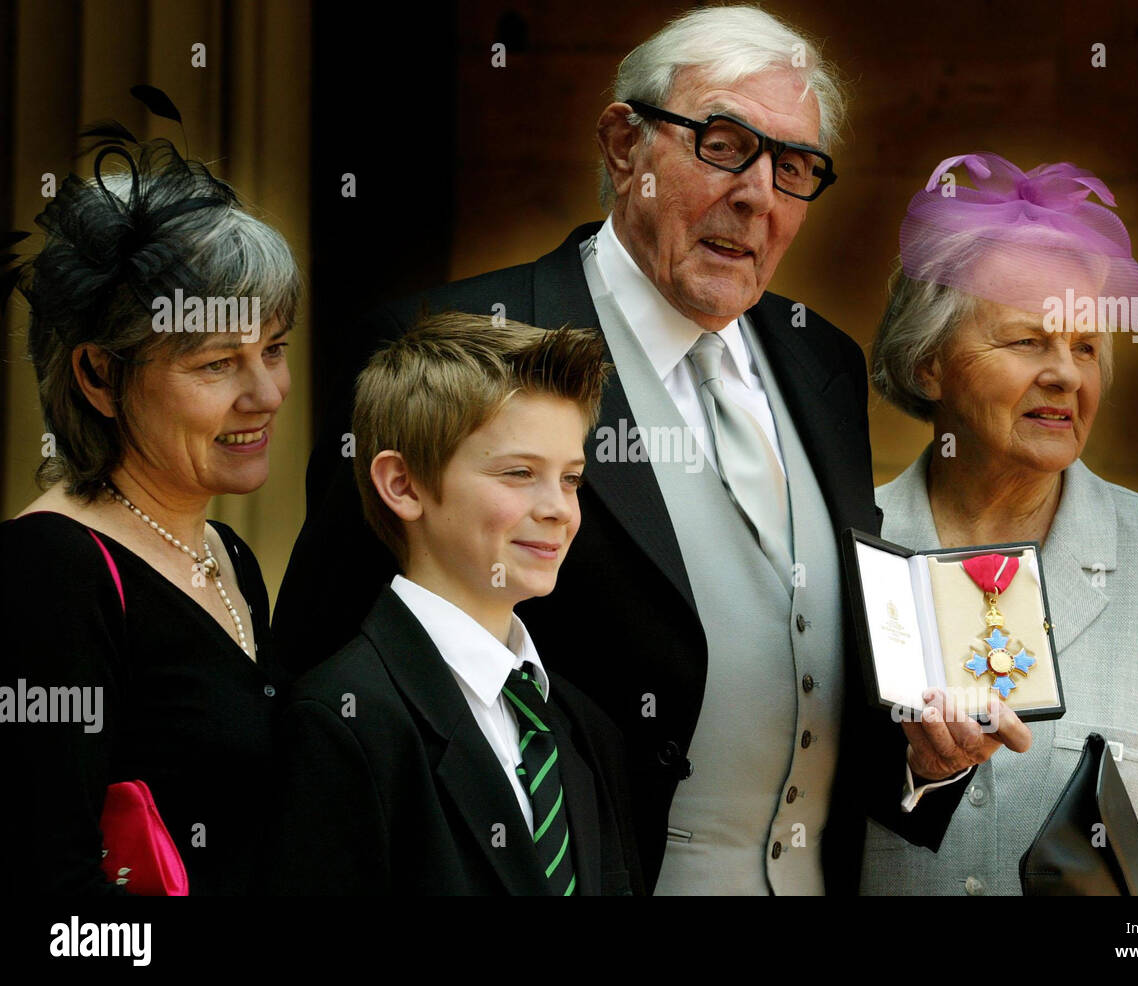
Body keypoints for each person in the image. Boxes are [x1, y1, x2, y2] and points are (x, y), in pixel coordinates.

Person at [274, 6, 1030, 895]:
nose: (757, 194)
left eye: (792, 167)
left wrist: (923, 761)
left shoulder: (824, 363)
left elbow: (829, 676)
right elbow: (328, 694)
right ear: (623, 143)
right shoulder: (447, 343)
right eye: (721, 143)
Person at [863, 151, 1138, 894]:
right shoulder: (841, 546)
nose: (1066, 372)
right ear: (928, 363)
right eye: (1029, 340)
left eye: (1086, 346)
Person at [0, 133, 300, 894]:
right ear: (101, 375)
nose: (266, 393)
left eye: (274, 348)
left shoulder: (229, 554)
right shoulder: (51, 571)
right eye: (216, 363)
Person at [267, 312, 641, 895]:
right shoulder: (343, 721)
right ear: (404, 485)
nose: (560, 509)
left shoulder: (585, 730)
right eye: (519, 473)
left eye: (570, 478)